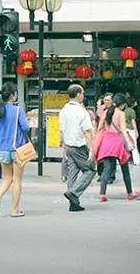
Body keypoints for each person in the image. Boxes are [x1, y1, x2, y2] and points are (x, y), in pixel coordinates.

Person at [0, 82, 29, 217]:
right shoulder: (18, 110)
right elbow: (25, 128)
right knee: (17, 180)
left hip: (3, 148)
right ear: (13, 95)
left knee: (7, 178)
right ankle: (15, 210)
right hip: (17, 149)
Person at [96, 93, 140, 202]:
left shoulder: (106, 112)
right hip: (118, 143)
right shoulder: (121, 114)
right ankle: (130, 193)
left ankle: (102, 194)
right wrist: (129, 144)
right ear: (123, 105)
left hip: (107, 142)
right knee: (125, 169)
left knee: (107, 169)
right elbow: (123, 130)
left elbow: (100, 127)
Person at [58, 84, 96, 212]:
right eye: (83, 93)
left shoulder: (64, 110)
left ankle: (73, 204)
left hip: (68, 145)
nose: (83, 96)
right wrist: (91, 150)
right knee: (90, 170)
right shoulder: (81, 111)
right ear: (78, 94)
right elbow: (87, 132)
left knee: (72, 174)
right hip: (79, 146)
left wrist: (62, 142)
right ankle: (73, 193)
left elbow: (61, 129)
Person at [123, 97, 140, 165]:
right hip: (131, 129)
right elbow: (133, 121)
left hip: (125, 129)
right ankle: (137, 160)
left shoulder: (124, 111)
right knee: (134, 145)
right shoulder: (132, 111)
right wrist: (136, 131)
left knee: (126, 145)